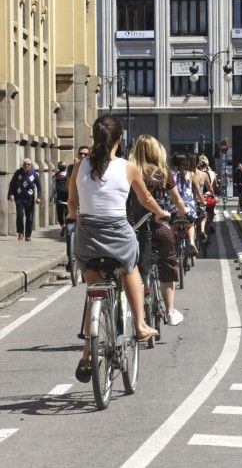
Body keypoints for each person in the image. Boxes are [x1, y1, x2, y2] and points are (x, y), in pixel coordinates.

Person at [66, 116, 170, 383]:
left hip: (87, 235)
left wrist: (74, 216)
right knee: (130, 267)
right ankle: (140, 325)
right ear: (120, 140)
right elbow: (145, 199)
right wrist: (160, 213)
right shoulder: (129, 167)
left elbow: (72, 202)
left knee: (93, 292)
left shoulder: (80, 165)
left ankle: (87, 353)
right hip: (117, 232)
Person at [128, 135, 187, 326]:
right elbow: (177, 199)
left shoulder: (128, 171)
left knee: (129, 267)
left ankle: (129, 309)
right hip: (159, 226)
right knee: (168, 263)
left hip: (133, 227)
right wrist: (182, 211)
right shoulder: (163, 173)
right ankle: (169, 311)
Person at [170, 152, 200, 256]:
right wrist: (201, 200)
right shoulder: (190, 174)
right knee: (191, 225)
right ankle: (191, 242)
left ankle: (171, 246)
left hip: (174, 208)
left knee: (171, 226)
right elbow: (196, 190)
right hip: (188, 208)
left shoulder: (169, 174)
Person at [8, 158, 42, 241]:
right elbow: (12, 184)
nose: (26, 166)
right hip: (19, 198)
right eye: (25, 164)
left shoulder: (34, 174)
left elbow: (39, 187)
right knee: (20, 215)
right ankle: (20, 232)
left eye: (28, 164)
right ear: (22, 165)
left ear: (31, 165)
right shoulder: (18, 173)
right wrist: (11, 194)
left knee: (29, 218)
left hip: (30, 199)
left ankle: (28, 235)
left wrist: (39, 197)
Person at [52, 161, 69, 236]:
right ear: (65, 168)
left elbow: (53, 188)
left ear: (58, 168)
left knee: (59, 213)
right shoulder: (69, 175)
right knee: (67, 213)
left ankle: (62, 225)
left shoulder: (55, 176)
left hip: (59, 197)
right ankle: (67, 227)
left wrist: (51, 196)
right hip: (68, 196)